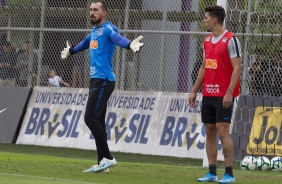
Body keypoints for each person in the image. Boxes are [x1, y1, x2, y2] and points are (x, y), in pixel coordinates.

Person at [60, 0, 144, 173]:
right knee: (98, 121)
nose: (92, 12)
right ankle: (102, 163)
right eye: (90, 9)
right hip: (95, 81)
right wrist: (71, 51)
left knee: (90, 118)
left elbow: (118, 39)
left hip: (104, 80)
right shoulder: (94, 31)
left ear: (104, 13)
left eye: (96, 9)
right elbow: (83, 45)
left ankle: (108, 158)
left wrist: (129, 45)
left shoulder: (108, 29)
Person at [188, 5, 241, 183]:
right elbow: (204, 67)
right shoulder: (207, 40)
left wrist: (229, 93)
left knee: (222, 131)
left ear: (214, 20)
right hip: (208, 94)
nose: (203, 20)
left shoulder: (231, 40)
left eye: (205, 17)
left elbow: (237, 68)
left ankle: (229, 173)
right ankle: (211, 172)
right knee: (209, 130)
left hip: (223, 95)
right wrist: (195, 91)